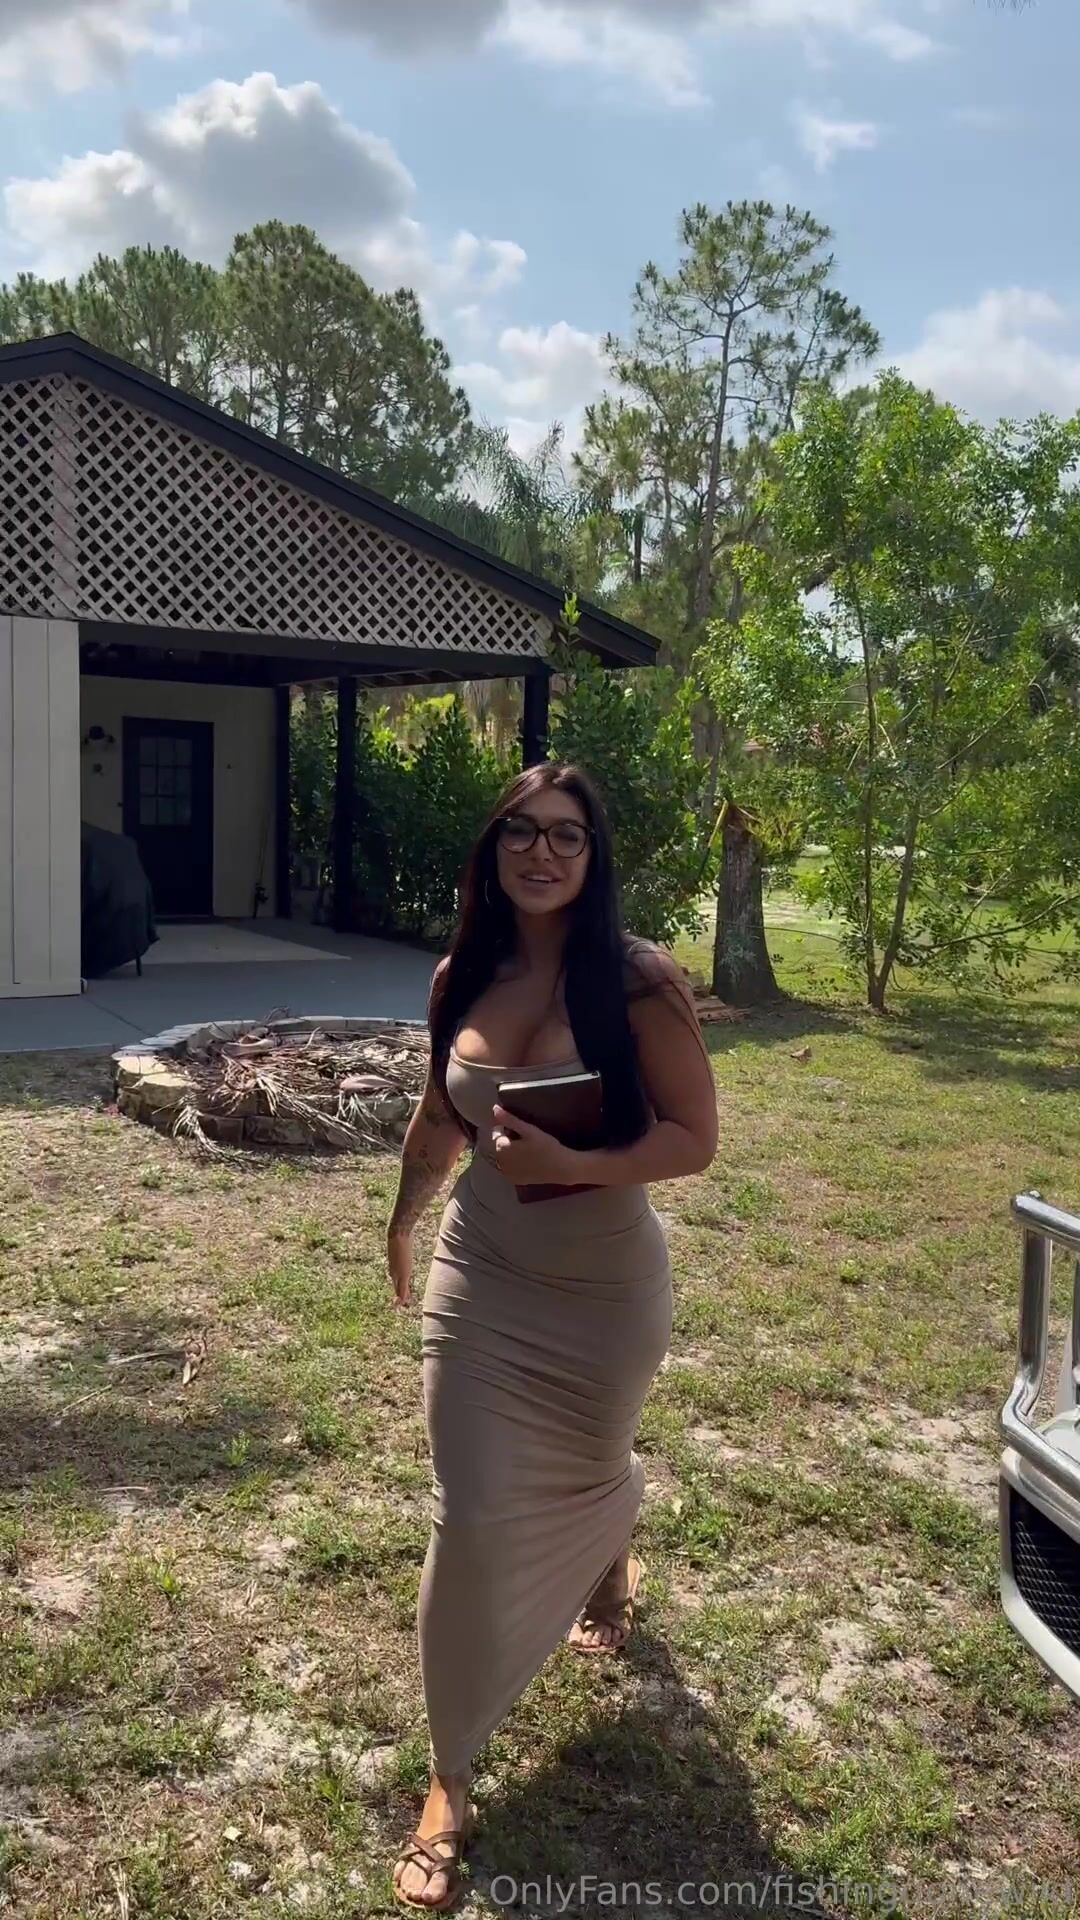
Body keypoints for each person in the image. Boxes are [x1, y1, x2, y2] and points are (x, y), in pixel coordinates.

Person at [386, 762, 719, 1912]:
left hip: (604, 1288)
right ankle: (450, 1778)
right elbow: (441, 1114)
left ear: (593, 854)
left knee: (591, 1460)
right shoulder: (460, 974)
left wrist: (577, 1160)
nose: (541, 852)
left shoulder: (637, 982)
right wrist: (402, 1221)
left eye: (566, 835)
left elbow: (693, 1138)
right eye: (520, 832)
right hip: (483, 1268)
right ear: (494, 849)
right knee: (472, 1511)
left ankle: (608, 1553)